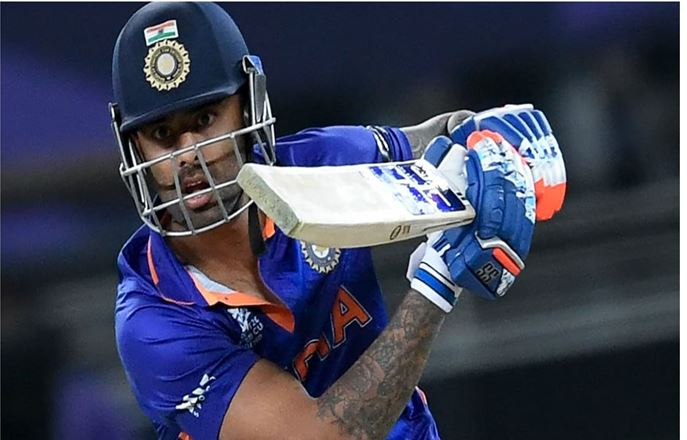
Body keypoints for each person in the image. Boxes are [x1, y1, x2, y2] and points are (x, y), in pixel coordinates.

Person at [112, 3, 565, 439]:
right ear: (135, 147)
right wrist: (437, 285)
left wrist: (491, 143)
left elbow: (438, 142)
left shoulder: (317, 168)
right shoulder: (154, 322)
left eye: (206, 118)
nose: (188, 153)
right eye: (162, 134)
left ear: (246, 107)